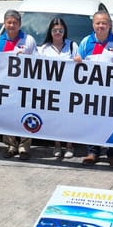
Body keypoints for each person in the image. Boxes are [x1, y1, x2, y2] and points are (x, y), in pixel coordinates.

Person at [76, 10, 113, 166]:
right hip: (91, 90)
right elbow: (77, 63)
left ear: (110, 25)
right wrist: (77, 60)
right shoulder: (86, 42)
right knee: (92, 121)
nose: (101, 26)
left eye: (104, 23)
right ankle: (92, 152)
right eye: (98, 23)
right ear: (93, 25)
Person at [0, 9, 37, 159]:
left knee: (25, 114)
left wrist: (27, 57)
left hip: (24, 84)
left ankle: (24, 147)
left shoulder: (28, 40)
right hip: (6, 85)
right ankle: (11, 145)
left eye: (15, 22)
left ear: (20, 24)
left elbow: (38, 62)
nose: (11, 25)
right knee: (7, 115)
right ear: (4, 23)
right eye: (9, 22)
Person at [37, 16, 77, 160]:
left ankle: (69, 145)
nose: (58, 32)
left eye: (61, 30)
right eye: (55, 30)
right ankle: (57, 145)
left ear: (65, 31)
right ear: (50, 31)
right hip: (51, 90)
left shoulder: (72, 45)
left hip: (69, 89)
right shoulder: (44, 48)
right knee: (55, 119)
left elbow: (80, 64)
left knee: (69, 118)